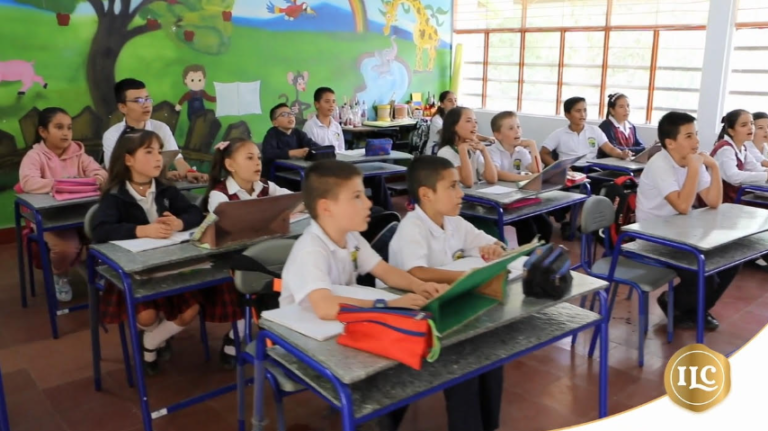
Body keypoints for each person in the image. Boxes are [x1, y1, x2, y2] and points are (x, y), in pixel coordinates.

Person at [387, 155, 505, 431]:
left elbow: (492, 243)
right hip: (412, 321)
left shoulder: (453, 222)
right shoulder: (412, 228)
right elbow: (416, 272)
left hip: (444, 311)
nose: (460, 193)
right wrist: (467, 276)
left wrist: (493, 249)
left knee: (492, 353)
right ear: (426, 194)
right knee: (464, 368)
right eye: (452, 186)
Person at [91, 128, 204, 375]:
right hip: (136, 271)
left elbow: (195, 213)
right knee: (146, 318)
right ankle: (156, 334)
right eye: (149, 151)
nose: (158, 158)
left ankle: (150, 343)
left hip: (171, 264)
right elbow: (100, 230)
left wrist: (179, 223)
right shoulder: (115, 195)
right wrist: (143, 230)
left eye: (160, 152)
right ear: (128, 159)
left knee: (190, 310)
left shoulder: (166, 189)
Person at [201, 137, 300, 368]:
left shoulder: (266, 187)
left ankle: (270, 331)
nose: (258, 163)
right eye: (249, 158)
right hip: (235, 259)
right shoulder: (219, 194)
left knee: (288, 274)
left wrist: (296, 206)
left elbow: (293, 201)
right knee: (256, 285)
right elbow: (228, 227)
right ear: (230, 165)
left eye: (258, 158)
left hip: (264, 255)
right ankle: (238, 335)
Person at [636, 112, 737, 331]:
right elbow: (682, 206)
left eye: (697, 135)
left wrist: (715, 167)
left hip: (680, 232)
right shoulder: (659, 164)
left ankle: (692, 309)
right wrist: (694, 167)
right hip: (651, 236)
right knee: (702, 272)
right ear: (670, 143)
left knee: (732, 259)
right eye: (689, 136)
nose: (697, 142)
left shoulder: (694, 161)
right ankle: (675, 303)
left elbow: (713, 201)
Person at [19, 107, 108, 302]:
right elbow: (28, 182)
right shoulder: (35, 157)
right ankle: (60, 274)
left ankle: (90, 264)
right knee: (67, 247)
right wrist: (60, 185)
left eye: (69, 127)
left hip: (80, 212)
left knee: (106, 234)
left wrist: (97, 179)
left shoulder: (79, 153)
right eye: (59, 127)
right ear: (43, 131)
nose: (66, 132)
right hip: (50, 217)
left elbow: (99, 172)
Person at [303, 87, 393, 210]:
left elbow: (341, 151)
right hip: (324, 171)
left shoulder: (336, 126)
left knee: (377, 177)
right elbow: (312, 155)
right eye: (327, 101)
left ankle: (388, 215)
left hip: (341, 166)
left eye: (334, 102)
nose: (332, 105)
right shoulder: (310, 127)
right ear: (317, 104)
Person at [102, 78, 207, 183]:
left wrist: (190, 172)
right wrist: (161, 174)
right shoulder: (112, 135)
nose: (146, 105)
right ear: (123, 107)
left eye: (147, 99)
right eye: (138, 101)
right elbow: (115, 171)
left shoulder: (161, 128)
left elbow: (178, 160)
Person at [488, 111, 553, 244]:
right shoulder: (493, 150)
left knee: (546, 226)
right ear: (498, 135)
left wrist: (532, 145)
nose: (517, 131)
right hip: (498, 201)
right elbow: (497, 173)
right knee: (528, 230)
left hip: (516, 198)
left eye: (518, 127)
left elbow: (536, 170)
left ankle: (540, 258)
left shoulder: (520, 150)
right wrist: (524, 178)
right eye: (511, 128)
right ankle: (527, 260)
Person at [540, 96, 632, 166]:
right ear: (567, 114)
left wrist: (621, 154)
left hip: (590, 169)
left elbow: (610, 149)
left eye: (585, 110)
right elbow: (543, 153)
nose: (582, 114)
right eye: (578, 111)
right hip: (569, 170)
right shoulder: (559, 134)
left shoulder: (595, 131)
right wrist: (558, 167)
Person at [710, 109, 768, 203]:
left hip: (731, 197)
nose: (750, 128)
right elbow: (733, 177)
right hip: (718, 200)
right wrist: (766, 176)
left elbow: (754, 167)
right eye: (744, 125)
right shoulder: (725, 149)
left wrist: (765, 172)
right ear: (731, 131)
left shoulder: (742, 147)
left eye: (752, 123)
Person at [436, 107, 498, 188]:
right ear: (453, 126)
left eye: (476, 121)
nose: (474, 125)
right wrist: (462, 150)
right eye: (468, 121)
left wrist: (484, 150)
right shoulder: (445, 152)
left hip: (474, 196)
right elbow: (468, 182)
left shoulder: (473, 149)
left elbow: (492, 179)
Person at [261, 103, 320, 182]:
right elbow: (268, 153)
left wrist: (317, 150)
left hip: (296, 172)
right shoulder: (272, 134)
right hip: (277, 176)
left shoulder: (298, 133)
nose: (290, 116)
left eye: (291, 113)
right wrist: (292, 153)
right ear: (275, 122)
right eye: (284, 114)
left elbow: (313, 145)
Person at [427, 91, 495, 156]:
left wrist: (487, 138)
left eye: (455, 100)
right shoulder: (437, 119)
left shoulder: (457, 117)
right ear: (441, 104)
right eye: (450, 101)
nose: (454, 103)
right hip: (436, 149)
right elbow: (453, 133)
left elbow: (467, 132)